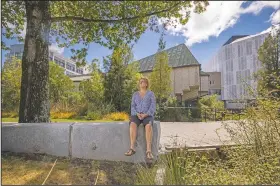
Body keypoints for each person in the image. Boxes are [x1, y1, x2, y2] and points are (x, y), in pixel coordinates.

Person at [125, 77, 156, 160]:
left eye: (144, 82)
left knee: (148, 126)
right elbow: (132, 106)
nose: (142, 83)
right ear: (139, 84)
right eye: (140, 82)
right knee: (132, 124)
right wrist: (137, 114)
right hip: (137, 114)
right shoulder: (135, 94)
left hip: (147, 115)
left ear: (146, 84)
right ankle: (132, 148)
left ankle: (149, 151)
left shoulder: (151, 94)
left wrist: (146, 114)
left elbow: (153, 106)